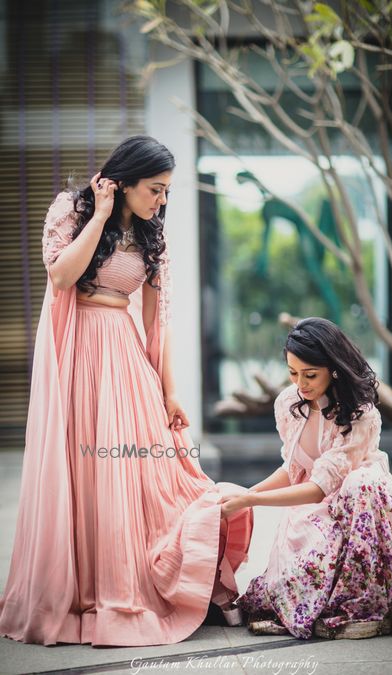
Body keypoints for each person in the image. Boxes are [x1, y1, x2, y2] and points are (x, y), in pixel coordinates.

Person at [0, 135, 253, 647]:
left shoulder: (152, 236)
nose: (161, 201)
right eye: (155, 190)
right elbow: (61, 277)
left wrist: (172, 393)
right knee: (85, 472)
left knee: (143, 473)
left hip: (126, 356)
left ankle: (156, 580)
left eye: (165, 192)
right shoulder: (71, 212)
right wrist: (100, 216)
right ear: (126, 181)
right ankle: (83, 592)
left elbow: (158, 322)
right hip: (77, 360)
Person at [219, 317, 392, 639]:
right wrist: (243, 494)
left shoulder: (361, 414)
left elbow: (319, 487)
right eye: (293, 372)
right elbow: (293, 469)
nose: (301, 383)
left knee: (361, 482)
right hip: (312, 507)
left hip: (361, 507)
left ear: (335, 368)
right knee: (293, 588)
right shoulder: (288, 403)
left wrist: (252, 501)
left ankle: (369, 599)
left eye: (310, 374)